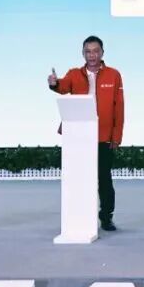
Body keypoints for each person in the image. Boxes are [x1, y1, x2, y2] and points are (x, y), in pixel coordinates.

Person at [48, 35, 125, 232]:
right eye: (88, 51)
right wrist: (54, 83)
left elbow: (119, 107)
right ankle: (79, 216)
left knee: (104, 179)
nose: (92, 55)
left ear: (102, 53)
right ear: (83, 54)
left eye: (96, 51)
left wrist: (117, 136)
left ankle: (106, 217)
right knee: (78, 178)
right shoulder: (74, 74)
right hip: (77, 135)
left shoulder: (114, 75)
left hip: (103, 136)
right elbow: (62, 87)